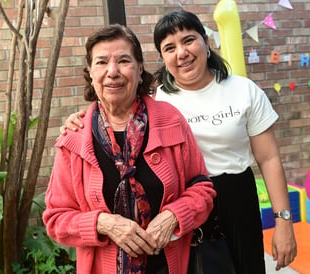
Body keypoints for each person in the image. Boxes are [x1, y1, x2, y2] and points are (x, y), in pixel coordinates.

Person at [61, 10, 297, 273]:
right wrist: (79, 120)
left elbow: (269, 158)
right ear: (162, 58)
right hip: (183, 204)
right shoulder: (156, 101)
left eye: (188, 40)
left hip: (235, 195)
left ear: (206, 42)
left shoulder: (243, 91)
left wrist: (283, 220)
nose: (181, 53)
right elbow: (112, 108)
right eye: (169, 47)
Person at [43, 24, 215, 274]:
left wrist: (175, 215)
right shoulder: (75, 138)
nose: (112, 72)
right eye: (101, 62)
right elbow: (56, 219)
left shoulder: (170, 120)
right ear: (90, 72)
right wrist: (103, 223)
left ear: (139, 67)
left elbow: (203, 189)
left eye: (124, 60)